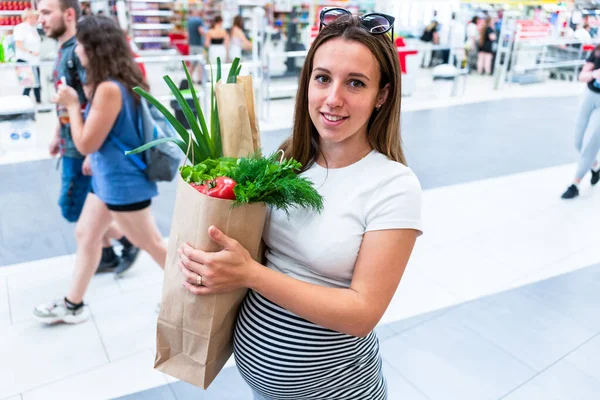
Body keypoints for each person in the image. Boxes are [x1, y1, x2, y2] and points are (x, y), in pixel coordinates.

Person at [177, 10, 422, 399]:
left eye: (355, 83)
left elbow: (362, 314)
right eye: (322, 78)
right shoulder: (286, 160)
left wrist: (249, 274)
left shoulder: (393, 186)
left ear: (383, 95)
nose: (333, 98)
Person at [33, 15, 168, 324]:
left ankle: (189, 297)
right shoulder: (114, 83)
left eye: (80, 42)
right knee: (86, 233)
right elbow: (103, 139)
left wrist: (70, 105)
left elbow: (85, 144)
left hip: (123, 185)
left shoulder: (108, 89)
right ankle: (73, 304)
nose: (76, 49)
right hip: (109, 180)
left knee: (153, 245)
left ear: (93, 47)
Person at [38, 0, 136, 277]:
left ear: (68, 14)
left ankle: (127, 239)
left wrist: (92, 152)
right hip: (74, 140)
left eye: (46, 12)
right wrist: (59, 132)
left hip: (83, 145)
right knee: (86, 207)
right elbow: (69, 100)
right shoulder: (65, 50)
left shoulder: (78, 54)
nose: (40, 19)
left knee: (72, 206)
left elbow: (93, 103)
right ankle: (106, 252)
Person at [561, 43, 600, 199]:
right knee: (578, 142)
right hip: (589, 96)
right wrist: (594, 74)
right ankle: (595, 167)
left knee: (591, 143)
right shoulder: (597, 50)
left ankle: (575, 184)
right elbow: (582, 76)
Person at [14, 9, 42, 105]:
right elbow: (19, 44)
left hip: (34, 61)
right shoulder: (20, 28)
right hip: (25, 60)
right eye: (35, 18)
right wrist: (31, 52)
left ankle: (38, 102)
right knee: (28, 84)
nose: (37, 20)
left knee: (36, 83)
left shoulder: (33, 28)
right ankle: (23, 104)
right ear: (29, 17)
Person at [187, 8, 206, 83]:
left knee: (192, 63)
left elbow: (187, 34)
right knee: (200, 63)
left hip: (192, 44)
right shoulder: (199, 21)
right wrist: (207, 33)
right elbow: (201, 31)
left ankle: (190, 78)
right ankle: (200, 79)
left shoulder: (189, 21)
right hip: (198, 44)